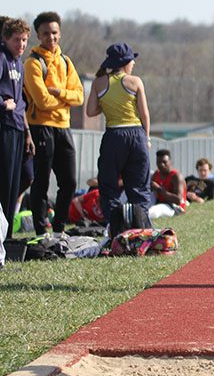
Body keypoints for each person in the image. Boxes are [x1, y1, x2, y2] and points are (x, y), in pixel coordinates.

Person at [22, 12, 83, 234]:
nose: (51, 37)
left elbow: (79, 96)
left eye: (55, 33)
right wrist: (65, 99)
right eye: (46, 33)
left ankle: (59, 229)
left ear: (60, 33)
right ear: (38, 35)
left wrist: (58, 91)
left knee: (69, 182)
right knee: (41, 183)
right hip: (41, 128)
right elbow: (41, 100)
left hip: (63, 128)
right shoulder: (32, 63)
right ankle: (40, 231)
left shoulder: (66, 62)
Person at [85, 43, 152, 236]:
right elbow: (144, 114)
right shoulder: (135, 81)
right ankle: (142, 231)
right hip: (136, 135)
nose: (133, 64)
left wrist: (106, 104)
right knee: (139, 187)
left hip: (113, 135)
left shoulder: (99, 83)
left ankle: (116, 231)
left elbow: (90, 111)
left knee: (109, 187)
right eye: (132, 61)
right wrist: (146, 138)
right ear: (125, 62)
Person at [0, 18, 35, 239]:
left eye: (24, 40)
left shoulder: (19, 63)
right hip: (4, 127)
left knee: (19, 180)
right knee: (4, 183)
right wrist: (2, 103)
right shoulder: (2, 58)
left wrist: (27, 131)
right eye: (16, 40)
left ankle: (8, 236)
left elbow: (21, 102)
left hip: (18, 129)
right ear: (5, 39)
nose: (21, 45)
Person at [149, 149, 187, 219]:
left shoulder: (176, 176)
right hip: (160, 204)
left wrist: (158, 188)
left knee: (153, 212)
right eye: (158, 162)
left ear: (170, 162)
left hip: (175, 207)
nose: (161, 165)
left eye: (164, 162)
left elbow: (178, 200)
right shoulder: (156, 174)